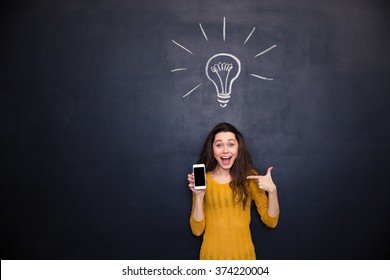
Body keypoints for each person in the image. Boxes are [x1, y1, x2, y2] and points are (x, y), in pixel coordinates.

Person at [187, 122, 280, 260]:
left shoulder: (249, 177)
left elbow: (271, 221)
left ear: (238, 148)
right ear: (212, 149)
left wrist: (272, 191)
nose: (225, 150)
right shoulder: (203, 180)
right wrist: (199, 196)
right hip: (211, 259)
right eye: (219, 145)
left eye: (231, 144)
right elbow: (197, 230)